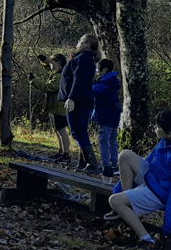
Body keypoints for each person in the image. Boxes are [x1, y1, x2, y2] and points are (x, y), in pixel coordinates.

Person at [105, 109, 171, 250]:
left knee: (115, 201)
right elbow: (147, 163)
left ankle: (148, 241)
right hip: (153, 180)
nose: (155, 128)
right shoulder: (165, 142)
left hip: (162, 193)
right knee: (125, 155)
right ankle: (126, 203)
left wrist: (168, 228)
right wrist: (119, 189)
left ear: (169, 133)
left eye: (158, 126)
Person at [57, 34, 100, 174]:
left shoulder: (83, 58)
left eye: (81, 40)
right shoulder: (83, 58)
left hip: (79, 101)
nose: (78, 42)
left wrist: (72, 98)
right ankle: (82, 163)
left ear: (87, 44)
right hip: (81, 100)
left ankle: (92, 164)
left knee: (78, 132)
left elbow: (79, 80)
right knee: (79, 131)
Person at [29, 53, 71, 162]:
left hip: (59, 108)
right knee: (56, 130)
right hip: (54, 107)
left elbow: (48, 87)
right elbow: (49, 68)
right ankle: (60, 151)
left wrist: (34, 80)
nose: (50, 64)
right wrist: (45, 60)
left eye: (53, 62)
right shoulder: (56, 73)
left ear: (59, 64)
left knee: (61, 131)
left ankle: (66, 155)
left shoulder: (59, 76)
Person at [92, 58, 121, 178]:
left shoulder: (105, 83)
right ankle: (114, 164)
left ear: (104, 69)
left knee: (103, 140)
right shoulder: (113, 81)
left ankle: (105, 165)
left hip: (105, 115)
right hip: (114, 115)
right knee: (113, 140)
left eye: (98, 69)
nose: (97, 71)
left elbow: (93, 90)